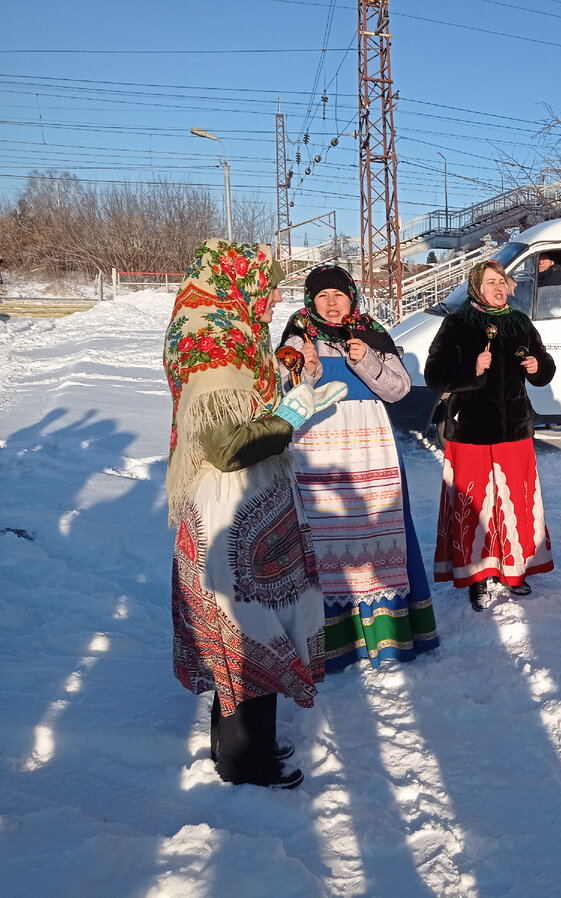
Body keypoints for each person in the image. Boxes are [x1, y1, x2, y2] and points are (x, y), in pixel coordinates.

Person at [165, 239, 346, 789]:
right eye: (263, 285)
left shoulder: (219, 321)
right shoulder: (212, 338)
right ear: (238, 281)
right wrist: (289, 415)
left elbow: (246, 397)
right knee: (250, 624)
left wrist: (286, 380)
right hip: (231, 501)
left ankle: (241, 746)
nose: (268, 298)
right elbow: (226, 444)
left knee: (241, 622)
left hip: (242, 498)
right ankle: (248, 762)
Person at [277, 264, 439, 672]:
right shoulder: (297, 335)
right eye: (321, 297)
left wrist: (366, 360)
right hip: (319, 449)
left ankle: (387, 634)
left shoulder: (371, 332)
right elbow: (285, 391)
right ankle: (331, 640)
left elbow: (399, 390)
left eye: (339, 295)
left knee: (377, 533)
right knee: (324, 536)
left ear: (353, 297)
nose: (331, 304)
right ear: (310, 302)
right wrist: (306, 372)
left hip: (372, 449)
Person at [424, 259, 556, 611]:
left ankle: (514, 570)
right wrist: (472, 369)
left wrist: (538, 367)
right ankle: (477, 576)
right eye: (490, 282)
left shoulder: (520, 323)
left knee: (515, 501)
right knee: (476, 504)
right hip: (470, 429)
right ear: (476, 289)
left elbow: (545, 365)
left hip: (514, 428)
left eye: (502, 281)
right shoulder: (457, 323)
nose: (499, 288)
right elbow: (435, 373)